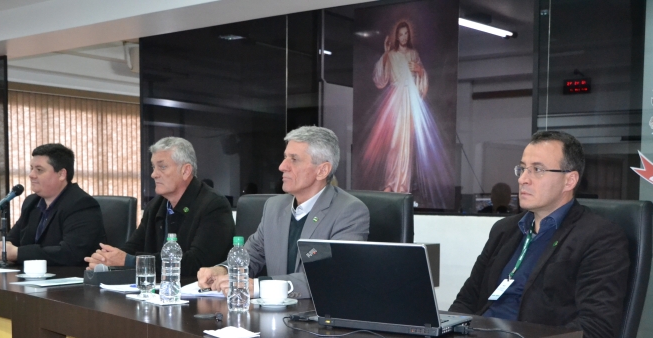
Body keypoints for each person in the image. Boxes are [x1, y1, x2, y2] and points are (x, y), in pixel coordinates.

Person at [449, 131, 629, 338]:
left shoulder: (599, 238)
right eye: (522, 168)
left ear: (569, 180)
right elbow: (466, 300)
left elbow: (596, 330)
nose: (523, 179)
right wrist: (446, 336)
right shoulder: (504, 230)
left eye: (538, 170)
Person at [197, 126, 370, 299]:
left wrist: (259, 287)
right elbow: (252, 254)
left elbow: (332, 276)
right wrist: (222, 270)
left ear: (322, 170)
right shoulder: (274, 206)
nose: (282, 166)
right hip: (273, 316)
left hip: (317, 317)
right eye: (285, 157)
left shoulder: (349, 211)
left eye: (294, 159)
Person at [85, 137, 234, 277]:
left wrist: (128, 261)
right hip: (155, 292)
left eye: (162, 167)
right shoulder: (156, 206)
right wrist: (107, 259)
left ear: (185, 171)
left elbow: (197, 263)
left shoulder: (214, 205)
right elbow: (132, 248)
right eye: (153, 167)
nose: (153, 174)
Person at [355, 20, 454, 209]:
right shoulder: (391, 55)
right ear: (396, 36)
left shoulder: (413, 54)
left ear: (408, 35)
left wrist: (420, 70)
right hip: (395, 100)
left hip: (409, 101)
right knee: (393, 143)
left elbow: (421, 82)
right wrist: (385, 54)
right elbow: (380, 80)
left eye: (405, 34)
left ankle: (402, 185)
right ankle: (390, 183)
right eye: (400, 34)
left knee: (405, 145)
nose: (403, 37)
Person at [0, 143, 105, 266]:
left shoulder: (82, 205)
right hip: (33, 277)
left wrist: (18, 253)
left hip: (70, 279)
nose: (31, 175)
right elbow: (13, 239)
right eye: (31, 168)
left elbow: (70, 253)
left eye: (39, 170)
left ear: (61, 174)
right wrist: (3, 247)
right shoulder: (31, 202)